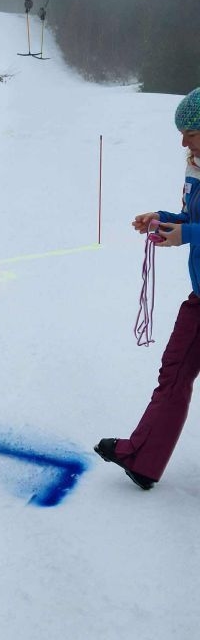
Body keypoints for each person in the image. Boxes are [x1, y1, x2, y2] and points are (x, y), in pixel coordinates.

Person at [95, 86, 200, 490]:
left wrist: (188, 234)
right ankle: (143, 458)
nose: (183, 142)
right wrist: (163, 219)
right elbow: (193, 218)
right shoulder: (196, 168)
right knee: (174, 371)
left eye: (191, 132)